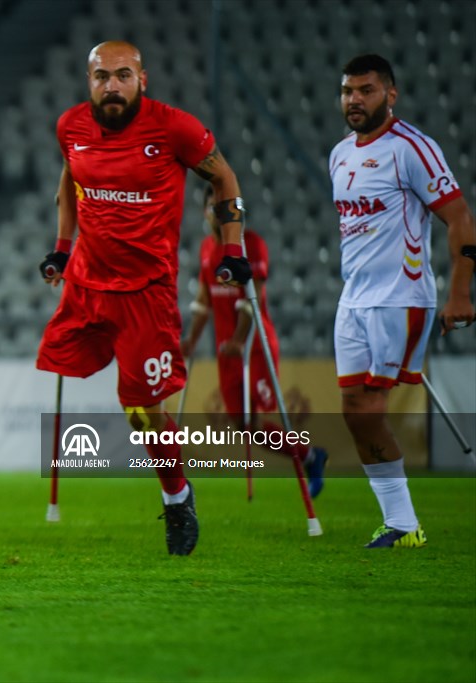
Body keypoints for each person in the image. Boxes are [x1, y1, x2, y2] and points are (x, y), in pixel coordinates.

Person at [36, 41, 251, 556]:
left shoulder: (175, 128)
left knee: (141, 408)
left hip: (146, 292)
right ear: (89, 80)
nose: (112, 86)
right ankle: (172, 483)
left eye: (123, 75)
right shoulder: (70, 127)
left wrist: (234, 248)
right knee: (62, 365)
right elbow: (69, 180)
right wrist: (63, 250)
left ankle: (177, 497)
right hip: (87, 285)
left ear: (142, 80)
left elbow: (222, 176)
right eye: (102, 76)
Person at [329, 54, 475, 548]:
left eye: (366, 90)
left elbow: (459, 218)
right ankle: (401, 522)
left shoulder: (412, 148)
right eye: (348, 90)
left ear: (390, 95)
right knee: (353, 410)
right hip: (352, 301)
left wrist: (460, 292)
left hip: (401, 299)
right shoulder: (339, 154)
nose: (354, 99)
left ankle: (403, 523)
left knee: (370, 407)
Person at [181, 186, 328, 496]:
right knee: (245, 426)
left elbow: (253, 298)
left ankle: (310, 457)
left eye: (222, 208)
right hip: (227, 351)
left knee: (256, 418)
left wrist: (238, 339)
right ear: (204, 213)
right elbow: (204, 300)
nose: (215, 214)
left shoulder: (252, 247)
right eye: (211, 207)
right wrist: (190, 341)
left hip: (254, 345)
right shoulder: (207, 249)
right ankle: (311, 455)